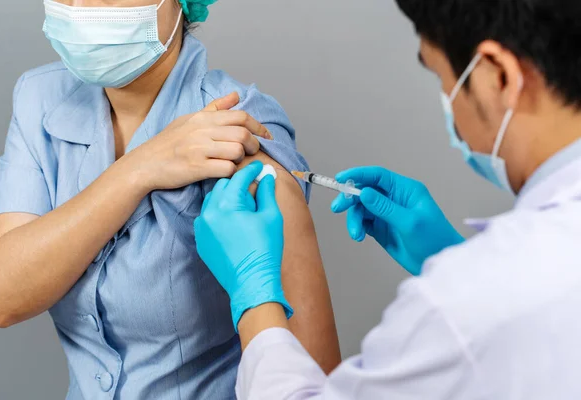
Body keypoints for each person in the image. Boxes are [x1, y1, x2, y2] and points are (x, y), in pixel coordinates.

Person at [193, 0, 581, 398]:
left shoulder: (462, 307)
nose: (449, 103)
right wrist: (450, 255)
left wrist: (255, 297)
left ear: (497, 76)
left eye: (443, 80)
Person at [0, 0, 341, 398]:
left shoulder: (236, 124)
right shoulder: (41, 98)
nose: (82, 4)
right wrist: (141, 167)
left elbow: (310, 384)